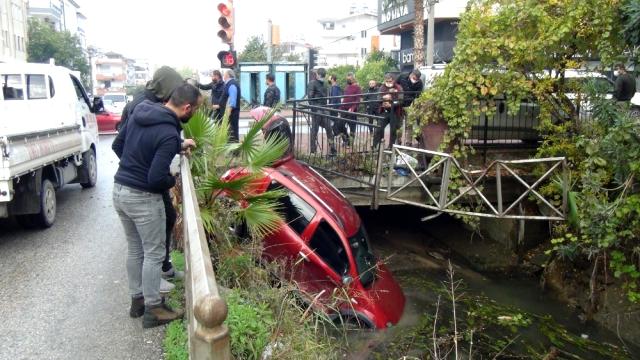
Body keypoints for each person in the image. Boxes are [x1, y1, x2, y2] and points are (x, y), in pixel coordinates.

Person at [113, 84, 201, 328]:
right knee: (153, 253)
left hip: (120, 190)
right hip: (143, 198)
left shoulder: (141, 111)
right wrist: (171, 179)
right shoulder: (169, 133)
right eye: (195, 109)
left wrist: (134, 168)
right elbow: (155, 178)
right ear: (186, 108)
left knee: (135, 249)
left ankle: (137, 301)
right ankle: (154, 309)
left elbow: (117, 146)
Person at [113, 66, 185, 291]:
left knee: (167, 219)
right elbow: (121, 144)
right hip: (143, 185)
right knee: (149, 246)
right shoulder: (143, 105)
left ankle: (146, 288)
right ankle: (153, 286)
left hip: (131, 182)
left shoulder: (148, 103)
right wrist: (142, 169)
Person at [307, 68, 336, 154]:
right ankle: (313, 150)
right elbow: (310, 98)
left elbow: (311, 97)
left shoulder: (322, 84)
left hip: (322, 109)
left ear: (318, 75)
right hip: (318, 110)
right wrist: (314, 109)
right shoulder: (314, 83)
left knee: (328, 129)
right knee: (316, 130)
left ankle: (332, 148)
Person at [376, 74, 403, 149]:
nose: (388, 82)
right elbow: (378, 98)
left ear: (393, 80)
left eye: (390, 81)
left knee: (393, 130)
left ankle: (391, 147)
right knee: (379, 128)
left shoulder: (398, 87)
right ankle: (377, 145)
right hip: (384, 111)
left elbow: (401, 100)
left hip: (395, 111)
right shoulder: (382, 87)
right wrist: (383, 100)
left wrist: (392, 104)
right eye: (387, 81)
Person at [215, 69, 241, 141]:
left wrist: (227, 115)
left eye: (224, 74)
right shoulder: (229, 84)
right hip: (228, 114)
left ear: (227, 75)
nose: (223, 76)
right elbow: (226, 100)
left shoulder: (232, 84)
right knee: (229, 133)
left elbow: (232, 102)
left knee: (232, 133)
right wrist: (218, 106)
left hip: (231, 115)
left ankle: (234, 151)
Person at [337, 76, 362, 144]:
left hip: (352, 110)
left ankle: (350, 143)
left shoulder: (357, 88)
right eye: (347, 79)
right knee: (339, 124)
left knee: (352, 127)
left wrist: (353, 108)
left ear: (353, 79)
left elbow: (358, 100)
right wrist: (340, 108)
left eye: (349, 79)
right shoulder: (347, 87)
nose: (348, 80)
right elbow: (345, 99)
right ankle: (346, 139)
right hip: (344, 109)